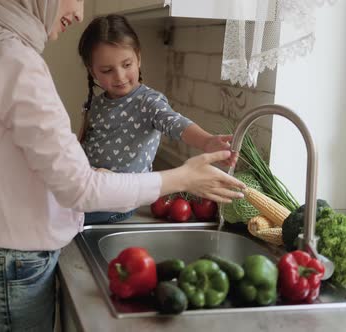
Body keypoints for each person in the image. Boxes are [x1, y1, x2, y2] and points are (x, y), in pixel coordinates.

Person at [0, 1, 245, 331]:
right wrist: (182, 177)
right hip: (9, 272)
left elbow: (52, 168)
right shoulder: (13, 62)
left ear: (138, 59)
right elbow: (80, 187)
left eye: (126, 65)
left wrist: (203, 145)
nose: (80, 13)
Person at [78, 14, 235, 225]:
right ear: (92, 71)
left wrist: (207, 141)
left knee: (62, 216)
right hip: (94, 191)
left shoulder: (148, 102)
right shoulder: (95, 104)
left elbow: (175, 123)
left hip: (120, 203)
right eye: (107, 70)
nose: (120, 76)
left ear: (138, 58)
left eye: (127, 65)